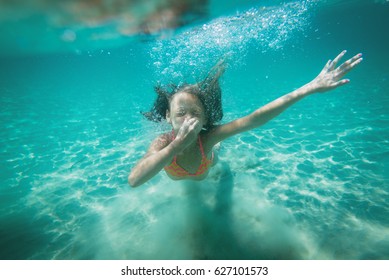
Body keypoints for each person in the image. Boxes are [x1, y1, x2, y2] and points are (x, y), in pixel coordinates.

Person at [128, 50, 363, 187]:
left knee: (218, 158)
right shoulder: (163, 143)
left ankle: (217, 146)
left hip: (206, 164)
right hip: (179, 164)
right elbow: (134, 180)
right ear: (168, 117)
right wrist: (177, 145)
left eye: (196, 114)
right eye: (181, 113)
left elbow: (254, 119)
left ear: (205, 118)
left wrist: (309, 88)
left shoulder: (207, 137)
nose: (189, 120)